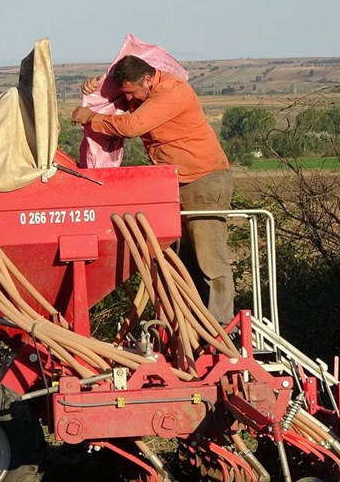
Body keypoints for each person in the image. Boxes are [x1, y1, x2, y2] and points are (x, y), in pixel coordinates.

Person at [71, 55, 234, 323]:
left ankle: (221, 327)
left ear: (147, 80)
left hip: (203, 180)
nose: (130, 100)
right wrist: (93, 89)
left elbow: (133, 126)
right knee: (183, 260)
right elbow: (116, 99)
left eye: (131, 93)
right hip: (174, 183)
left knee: (209, 257)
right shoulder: (144, 90)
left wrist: (91, 117)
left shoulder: (172, 92)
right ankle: (192, 323)